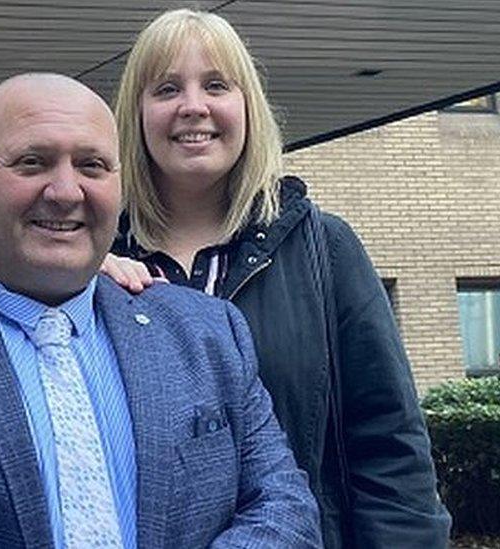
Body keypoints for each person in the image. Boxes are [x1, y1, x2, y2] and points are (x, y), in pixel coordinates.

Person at [0, 73, 322, 548]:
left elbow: (285, 510)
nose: (66, 191)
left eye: (91, 165)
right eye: (33, 162)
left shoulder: (207, 332)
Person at [105, 8, 451, 547]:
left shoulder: (323, 249)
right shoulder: (93, 262)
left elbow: (391, 448)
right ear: (136, 113)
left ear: (247, 106)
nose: (193, 106)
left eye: (216, 85)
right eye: (167, 88)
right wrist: (77, 281)